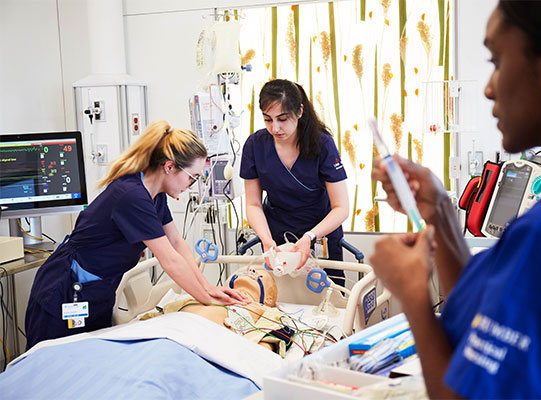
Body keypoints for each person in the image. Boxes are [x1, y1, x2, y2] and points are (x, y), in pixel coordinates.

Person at [370, 1, 541, 398]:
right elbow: (492, 320)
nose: (489, 87)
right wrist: (440, 214)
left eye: (496, 60)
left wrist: (412, 297)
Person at [25, 120, 248, 349]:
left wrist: (208, 287)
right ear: (169, 167)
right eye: (191, 177)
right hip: (65, 290)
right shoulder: (131, 196)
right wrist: (206, 299)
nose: (191, 185)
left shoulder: (156, 195)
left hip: (97, 290)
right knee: (48, 363)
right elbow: (169, 259)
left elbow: (176, 243)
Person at [240, 79, 349, 283]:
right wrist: (266, 239)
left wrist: (309, 237)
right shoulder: (255, 145)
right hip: (277, 234)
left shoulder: (322, 144)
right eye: (268, 119)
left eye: (282, 119)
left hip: (320, 233)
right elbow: (253, 204)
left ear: (299, 111)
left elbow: (341, 207)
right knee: (282, 297)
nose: (275, 128)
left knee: (326, 298)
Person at [141, 267, 289, 355]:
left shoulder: (263, 309)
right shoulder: (202, 294)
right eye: (248, 271)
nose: (250, 270)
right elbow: (165, 311)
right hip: (163, 332)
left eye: (257, 275)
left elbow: (269, 337)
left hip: (199, 343)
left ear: (269, 299)